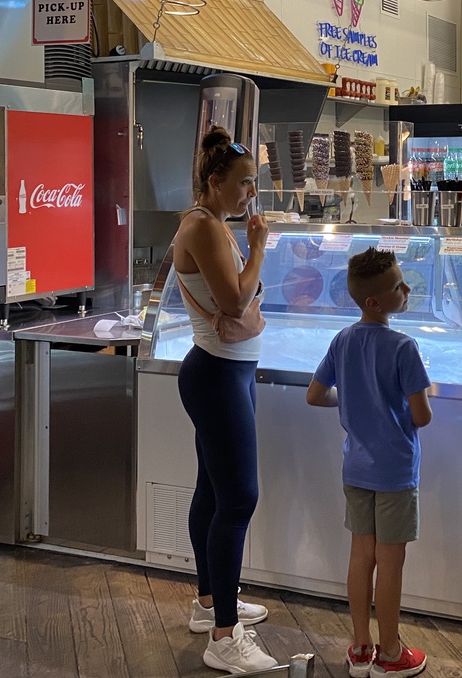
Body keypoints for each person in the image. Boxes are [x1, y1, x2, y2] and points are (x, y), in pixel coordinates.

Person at [173, 127, 278, 674]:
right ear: (215, 182)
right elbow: (235, 303)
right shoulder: (205, 227)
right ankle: (224, 637)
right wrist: (259, 249)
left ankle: (211, 601)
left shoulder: (210, 224)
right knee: (238, 500)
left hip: (224, 373)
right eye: (244, 184)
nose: (250, 195)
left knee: (212, 492)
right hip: (216, 375)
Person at [307, 248, 433, 678]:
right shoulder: (404, 347)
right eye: (399, 286)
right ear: (376, 302)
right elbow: (421, 416)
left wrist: (355, 403)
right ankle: (391, 652)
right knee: (391, 561)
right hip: (396, 470)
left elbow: (315, 394)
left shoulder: (342, 340)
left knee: (361, 555)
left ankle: (360, 646)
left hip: (356, 468)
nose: (408, 289)